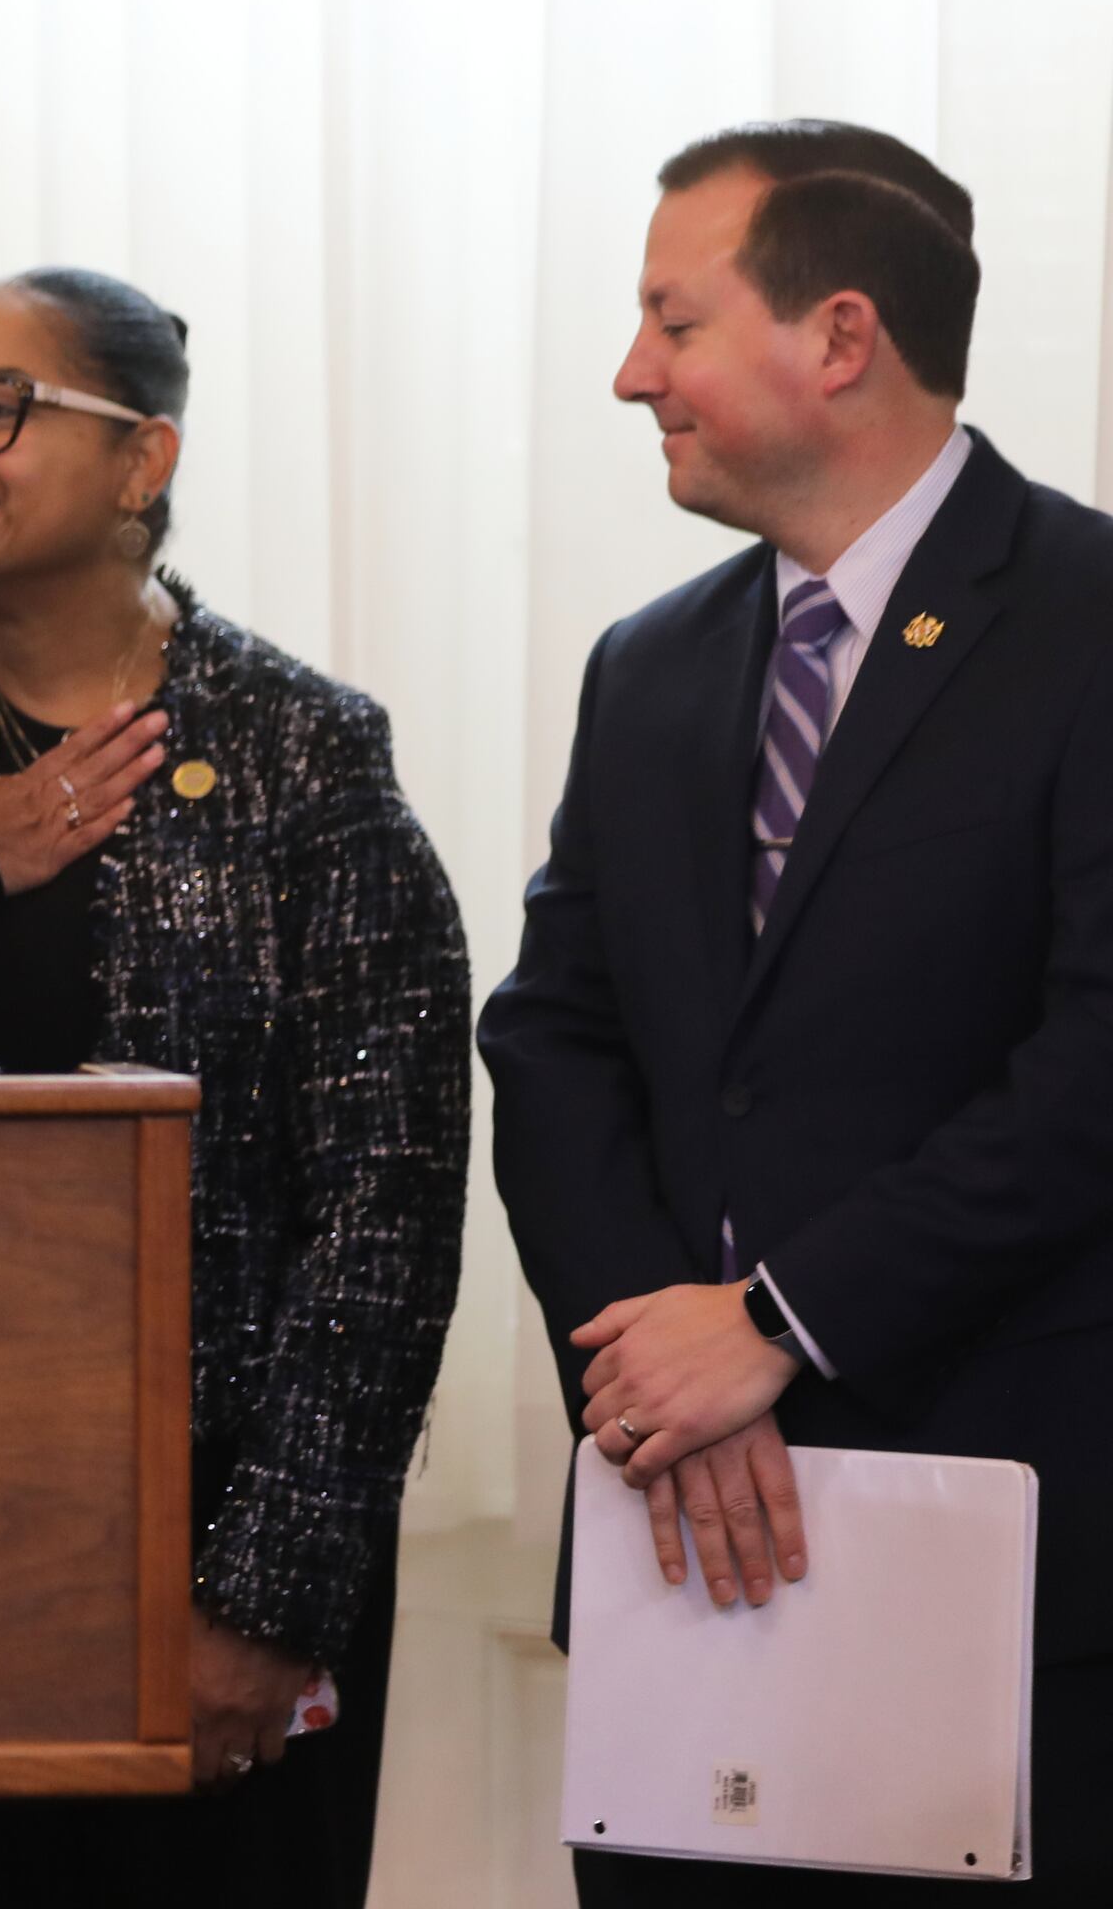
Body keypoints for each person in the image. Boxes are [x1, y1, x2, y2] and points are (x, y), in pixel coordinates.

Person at [482, 121, 1113, 1902]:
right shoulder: (651, 665)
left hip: (1020, 1556)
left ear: (841, 338)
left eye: (673, 323)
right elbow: (553, 1037)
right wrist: (665, 1365)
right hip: (686, 1552)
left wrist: (781, 1319)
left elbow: (1095, 1063)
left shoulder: (1088, 619)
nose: (631, 375)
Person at [0, 270, 470, 1906]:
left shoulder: (305, 756)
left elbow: (385, 1205)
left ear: (141, 462)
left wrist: (264, 1595)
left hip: (202, 1546)